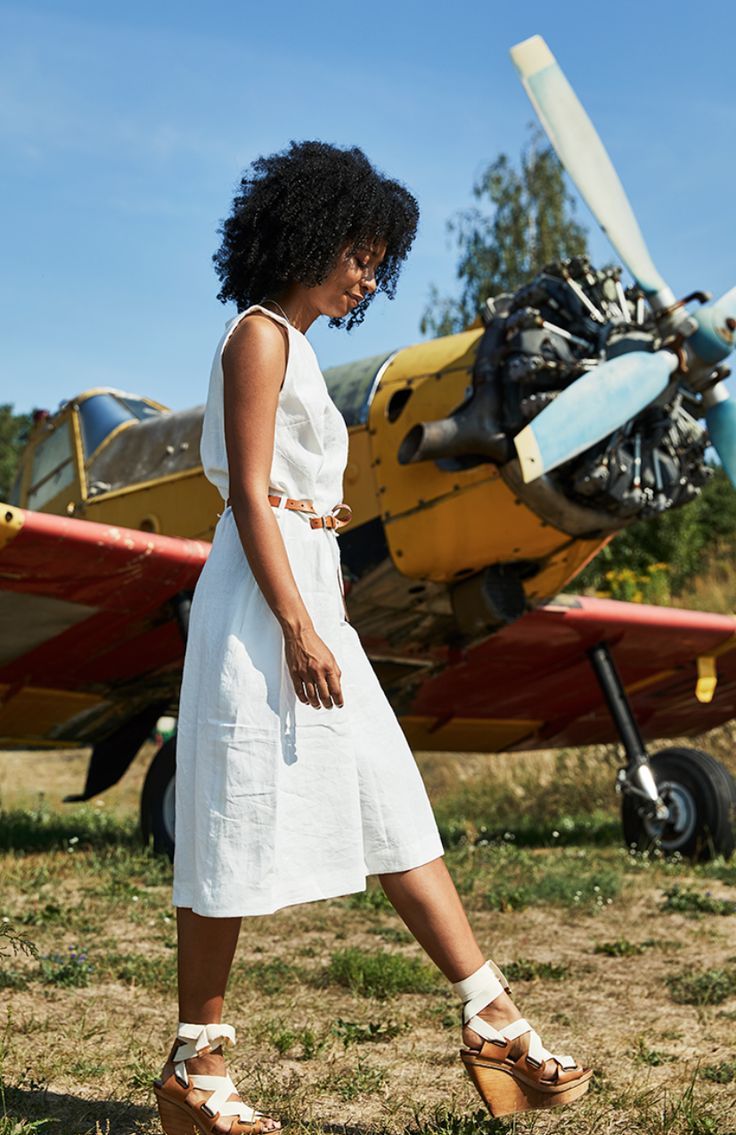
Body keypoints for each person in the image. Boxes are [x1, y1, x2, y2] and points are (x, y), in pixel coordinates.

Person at [152, 140, 591, 1135]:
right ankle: (195, 1066)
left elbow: (284, 495)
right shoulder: (258, 336)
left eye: (376, 261)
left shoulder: (297, 346)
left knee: (394, 804)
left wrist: (324, 532)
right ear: (305, 235)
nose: (367, 277)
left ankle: (493, 1017)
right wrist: (300, 625)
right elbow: (253, 500)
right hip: (266, 606)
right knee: (228, 817)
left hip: (306, 589)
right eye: (358, 253)